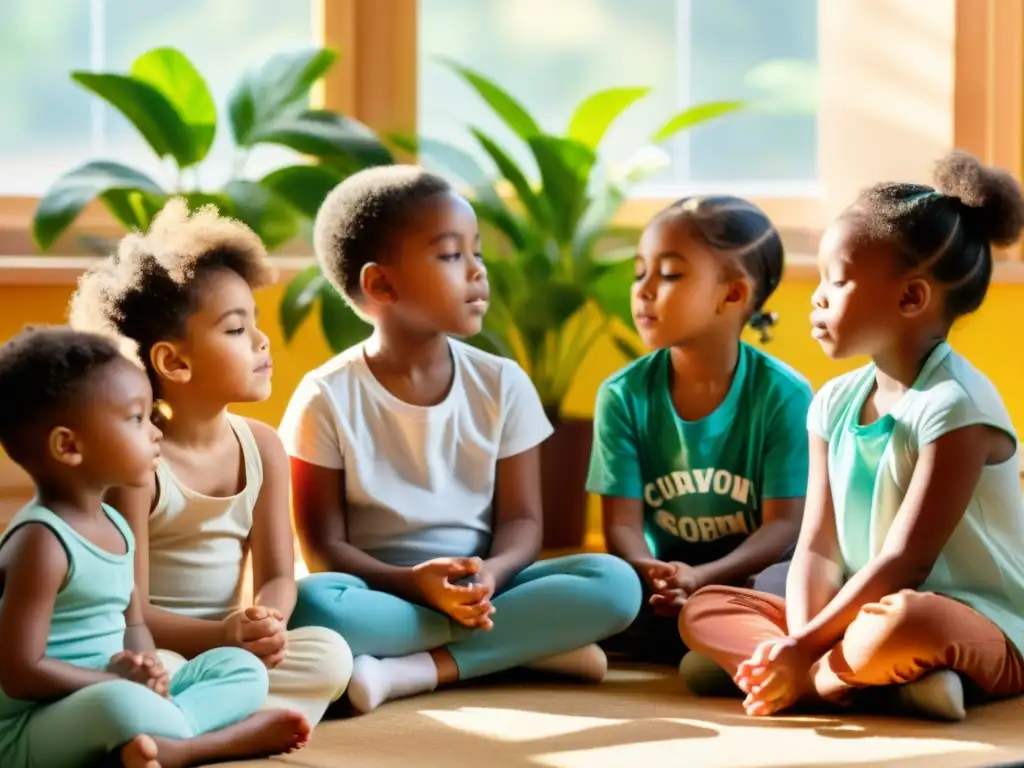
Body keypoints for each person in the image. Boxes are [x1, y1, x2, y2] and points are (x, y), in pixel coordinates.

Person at [280, 165, 642, 713]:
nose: (477, 271)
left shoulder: (502, 383)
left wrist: (491, 576)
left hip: (487, 587)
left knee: (614, 582)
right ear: (382, 284)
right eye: (451, 255)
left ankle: (415, 671)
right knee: (312, 606)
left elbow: (522, 523)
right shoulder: (325, 396)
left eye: (477, 252)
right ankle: (525, 649)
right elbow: (323, 549)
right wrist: (413, 582)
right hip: (379, 591)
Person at [680, 151, 1024, 722]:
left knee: (910, 622)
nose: (816, 297)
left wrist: (801, 647)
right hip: (857, 616)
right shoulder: (833, 403)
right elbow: (817, 548)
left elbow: (905, 563)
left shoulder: (955, 406)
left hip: (979, 621)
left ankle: (799, 678)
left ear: (912, 298)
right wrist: (801, 638)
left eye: (835, 282)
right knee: (706, 608)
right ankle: (869, 680)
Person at [68, 199, 352, 728]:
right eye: (236, 329)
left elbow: (278, 575)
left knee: (332, 654)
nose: (262, 341)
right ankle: (204, 722)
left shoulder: (263, 447)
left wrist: (269, 618)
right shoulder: (140, 467)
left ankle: (187, 720)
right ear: (174, 362)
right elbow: (132, 615)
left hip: (232, 646)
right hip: (160, 647)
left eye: (255, 323)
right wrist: (224, 636)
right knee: (157, 673)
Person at [0, 326, 309, 767]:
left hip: (114, 687)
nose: (156, 433)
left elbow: (133, 624)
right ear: (69, 446)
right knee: (121, 707)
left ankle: (155, 738)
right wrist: (112, 681)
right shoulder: (42, 542)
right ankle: (205, 744)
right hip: (32, 725)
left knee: (241, 669)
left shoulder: (115, 524)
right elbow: (20, 674)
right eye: (135, 420)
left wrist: (154, 673)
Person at [587, 196, 811, 679]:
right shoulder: (623, 394)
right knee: (599, 587)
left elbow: (784, 527)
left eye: (668, 275)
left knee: (795, 583)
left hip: (752, 577)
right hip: (662, 582)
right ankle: (719, 651)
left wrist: (703, 578)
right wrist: (652, 572)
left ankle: (735, 649)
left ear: (732, 296)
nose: (643, 291)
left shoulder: (784, 395)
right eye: (639, 272)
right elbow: (621, 526)